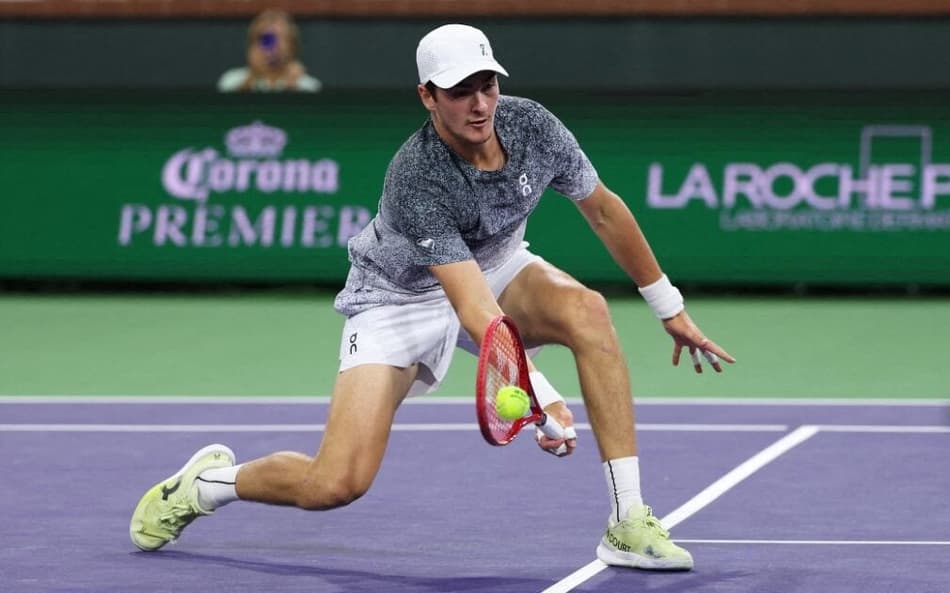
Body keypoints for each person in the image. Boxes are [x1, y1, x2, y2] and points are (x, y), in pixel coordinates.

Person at [131, 23, 735, 571]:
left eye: (487, 86)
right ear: (427, 96)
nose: (479, 104)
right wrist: (532, 400)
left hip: (494, 266)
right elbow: (474, 313)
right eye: (459, 91)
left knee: (587, 310)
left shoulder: (532, 126)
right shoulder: (417, 174)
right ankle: (208, 485)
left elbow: (602, 211)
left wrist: (669, 308)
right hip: (397, 300)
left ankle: (629, 520)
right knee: (335, 483)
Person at [217, 9, 322, 93]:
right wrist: (250, 79)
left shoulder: (308, 86)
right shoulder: (231, 81)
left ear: (292, 46)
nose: (272, 48)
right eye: (265, 39)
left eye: (279, 39)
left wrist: (292, 87)